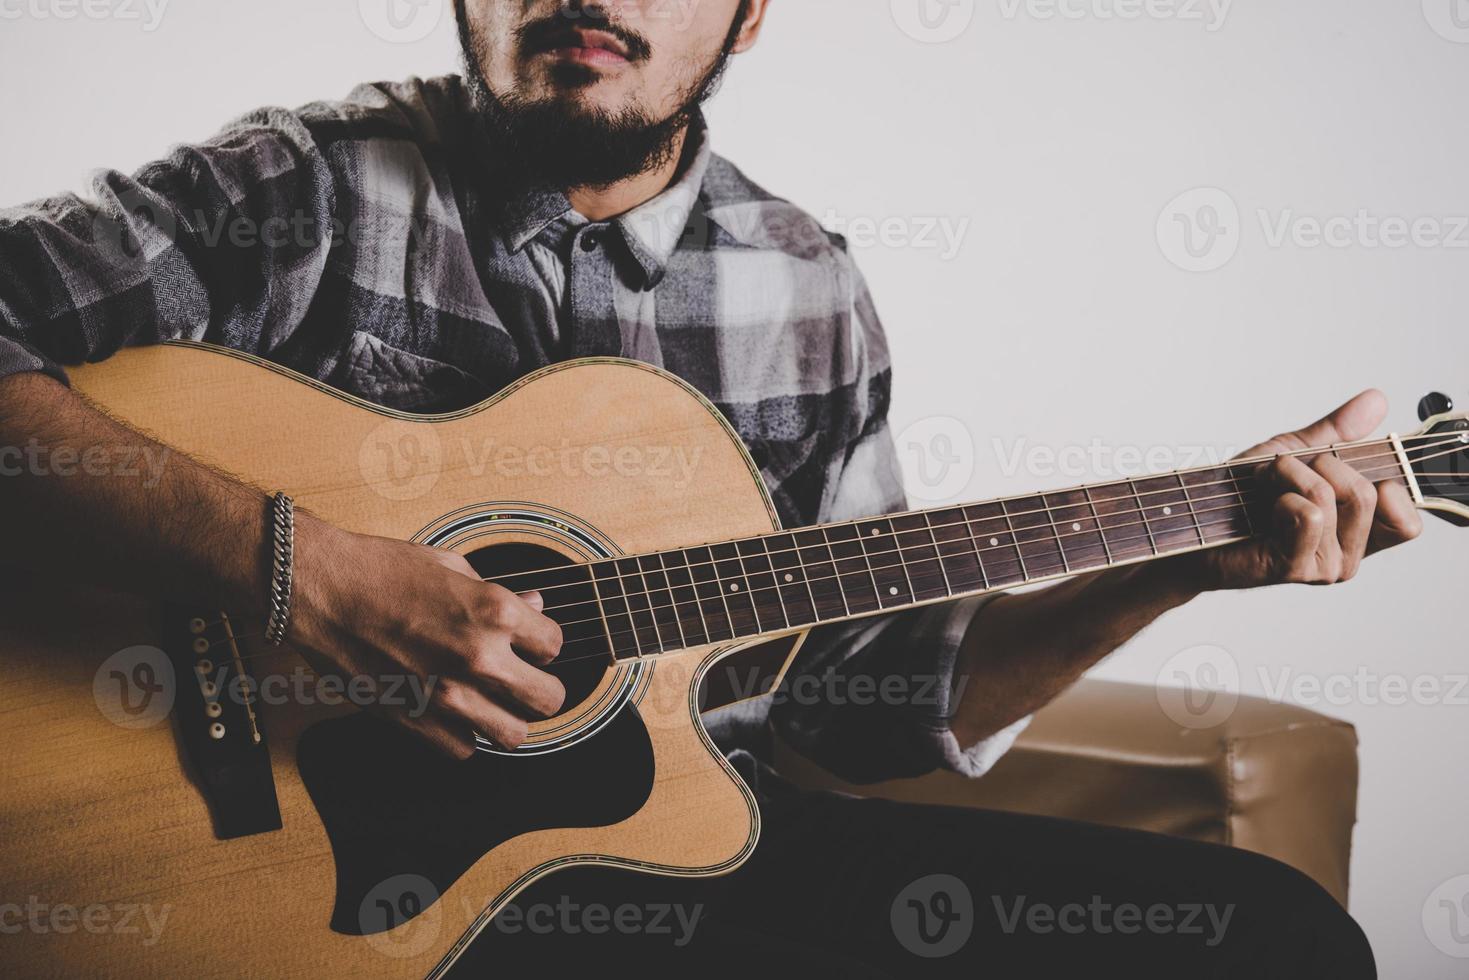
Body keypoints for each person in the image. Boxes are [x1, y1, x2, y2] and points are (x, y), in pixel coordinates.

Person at [0, 2, 1412, 974]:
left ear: (746, 14)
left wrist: (1185, 560)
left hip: (660, 859)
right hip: (283, 884)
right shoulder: (297, 188)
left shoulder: (801, 284)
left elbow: (867, 704)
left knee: (1270, 942)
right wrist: (289, 565)